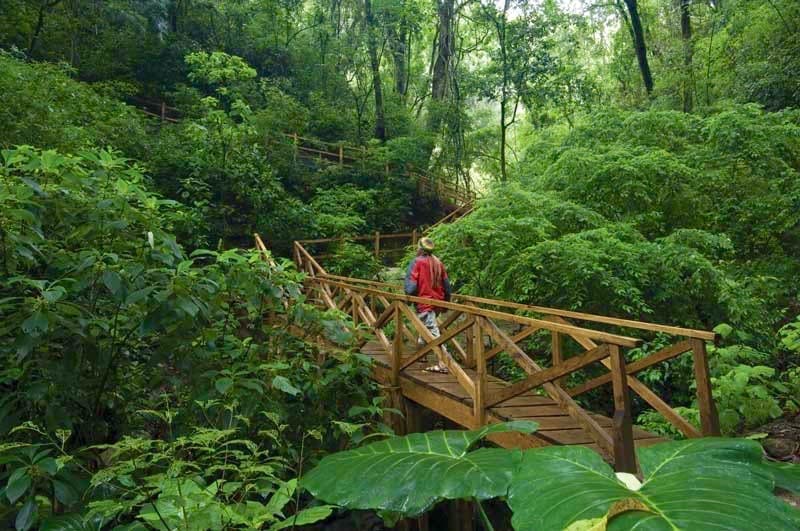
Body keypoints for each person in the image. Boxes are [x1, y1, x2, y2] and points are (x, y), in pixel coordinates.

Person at [404, 237, 452, 373]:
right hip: (437, 302)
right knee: (425, 328)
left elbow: (411, 287)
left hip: (425, 302)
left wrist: (408, 296)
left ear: (419, 248)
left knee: (432, 332)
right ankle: (422, 355)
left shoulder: (417, 262)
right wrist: (446, 303)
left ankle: (444, 363)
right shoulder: (439, 262)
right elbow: (447, 286)